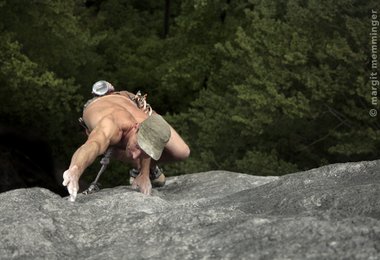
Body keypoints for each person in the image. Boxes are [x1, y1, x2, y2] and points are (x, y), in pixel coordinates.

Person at [62, 81, 190, 201]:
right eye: (138, 146)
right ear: (135, 127)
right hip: (101, 106)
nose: (134, 155)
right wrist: (75, 169)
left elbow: (148, 142)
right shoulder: (111, 126)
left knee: (183, 152)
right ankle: (139, 167)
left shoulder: (144, 122)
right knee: (115, 148)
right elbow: (93, 145)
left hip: (129, 100)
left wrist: (144, 174)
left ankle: (143, 169)